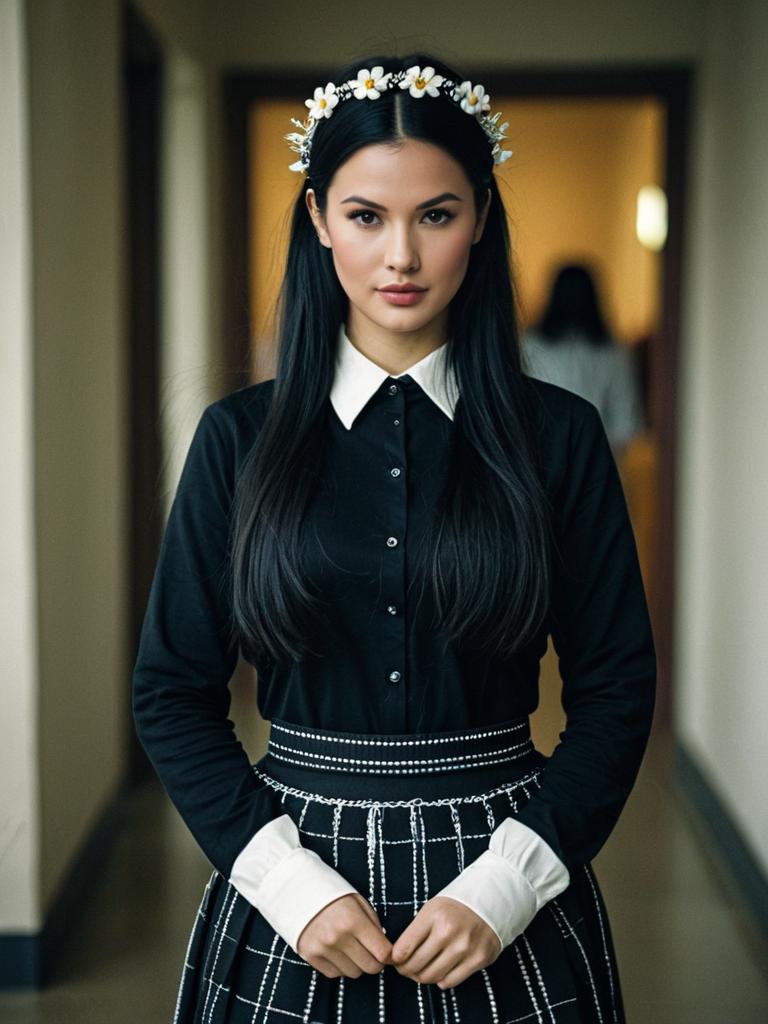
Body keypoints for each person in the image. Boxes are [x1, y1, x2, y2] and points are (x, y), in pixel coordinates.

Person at [132, 52, 657, 1024]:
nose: (401, 257)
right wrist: (292, 887)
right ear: (320, 219)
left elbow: (619, 689)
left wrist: (507, 885)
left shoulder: (559, 438)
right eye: (368, 216)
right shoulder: (238, 441)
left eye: (438, 214)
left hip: (504, 884)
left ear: (483, 221)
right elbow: (171, 691)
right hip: (294, 884)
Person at [523, 263, 647, 458]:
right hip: (597, 458)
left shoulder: (529, 346)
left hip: (542, 461)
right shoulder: (614, 352)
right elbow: (627, 423)